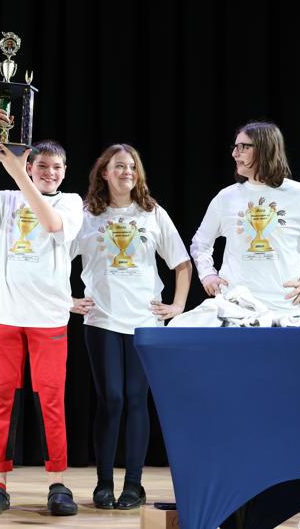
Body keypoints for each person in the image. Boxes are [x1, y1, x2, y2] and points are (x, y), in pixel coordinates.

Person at [0, 109, 83, 516]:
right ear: (30, 166)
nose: (49, 173)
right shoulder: (9, 198)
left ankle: (57, 483)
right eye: (42, 166)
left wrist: (16, 171)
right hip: (4, 315)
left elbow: (50, 224)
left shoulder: (71, 202)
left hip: (48, 318)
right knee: (0, 399)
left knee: (51, 400)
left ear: (64, 172)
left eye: (56, 167)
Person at [70, 144, 191, 510]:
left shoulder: (152, 213)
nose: (127, 172)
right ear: (103, 173)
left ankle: (133, 486)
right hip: (102, 319)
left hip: (145, 320)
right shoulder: (85, 215)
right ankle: (104, 483)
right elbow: (57, 256)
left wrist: (178, 306)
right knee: (113, 399)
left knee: (137, 400)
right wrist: (67, 299)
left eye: (133, 167)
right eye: (119, 166)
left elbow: (182, 263)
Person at [191, 121, 300, 318]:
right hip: (234, 310)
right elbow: (200, 243)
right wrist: (207, 273)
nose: (234, 154)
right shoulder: (225, 198)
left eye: (242, 147)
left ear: (264, 150)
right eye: (234, 147)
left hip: (284, 311)